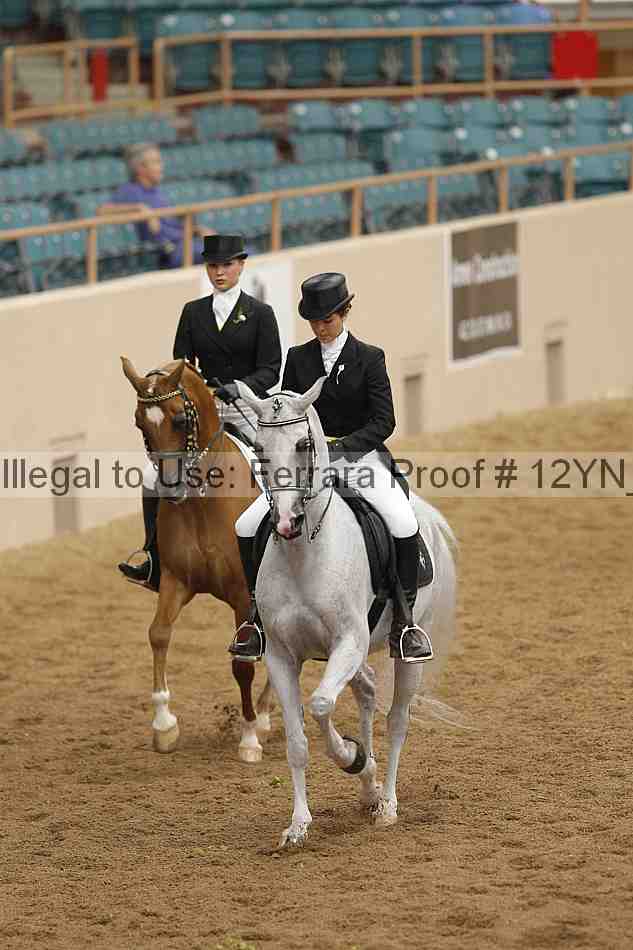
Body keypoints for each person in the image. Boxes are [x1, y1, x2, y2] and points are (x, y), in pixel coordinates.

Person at [229, 271, 434, 665]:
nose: (321, 328)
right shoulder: (298, 358)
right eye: (314, 321)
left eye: (328, 320)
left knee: (402, 520)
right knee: (246, 524)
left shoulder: (370, 358)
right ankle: (256, 618)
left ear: (344, 313)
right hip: (306, 464)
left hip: (360, 459)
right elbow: (288, 413)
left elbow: (384, 421)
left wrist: (340, 447)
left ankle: (405, 622)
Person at [118, 233, 283, 590]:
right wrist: (197, 393)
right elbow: (181, 366)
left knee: (271, 466)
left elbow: (271, 369)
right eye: (213, 266)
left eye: (227, 265)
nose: (219, 272)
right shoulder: (192, 312)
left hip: (245, 406)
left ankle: (282, 545)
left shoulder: (260, 313)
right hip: (201, 410)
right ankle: (154, 556)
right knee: (152, 476)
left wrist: (239, 387)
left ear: (241, 266)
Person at [98, 143, 211, 268]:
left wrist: (197, 230)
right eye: (156, 162)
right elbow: (102, 211)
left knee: (221, 246)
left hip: (185, 242)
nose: (161, 167)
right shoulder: (129, 191)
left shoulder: (156, 192)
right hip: (167, 251)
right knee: (219, 251)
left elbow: (170, 225)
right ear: (140, 168)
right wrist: (139, 208)